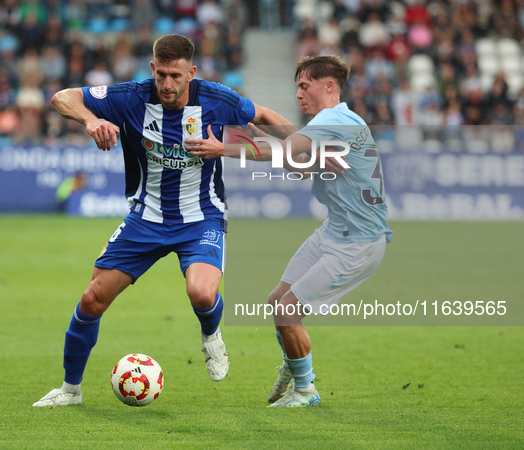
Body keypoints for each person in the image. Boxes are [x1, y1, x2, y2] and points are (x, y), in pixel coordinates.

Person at [33, 34, 291, 407]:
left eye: (176, 76)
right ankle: (70, 391)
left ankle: (211, 334)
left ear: (192, 72)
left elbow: (265, 117)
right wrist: (91, 121)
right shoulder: (131, 97)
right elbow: (63, 97)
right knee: (92, 299)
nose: (168, 85)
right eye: (162, 75)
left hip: (201, 217)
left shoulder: (217, 99)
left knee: (201, 293)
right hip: (145, 218)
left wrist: (298, 141)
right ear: (152, 69)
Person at [185, 55, 393, 407]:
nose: (298, 94)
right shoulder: (345, 121)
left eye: (304, 86)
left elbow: (284, 149)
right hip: (336, 231)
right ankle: (294, 365)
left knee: (288, 311)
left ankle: (305, 389)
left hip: (357, 243)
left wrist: (225, 147)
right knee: (276, 301)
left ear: (329, 87)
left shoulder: (332, 119)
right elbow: (303, 164)